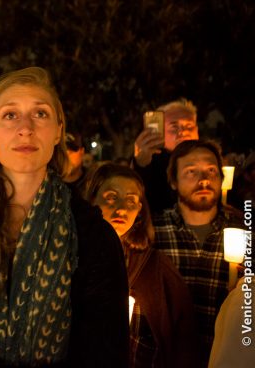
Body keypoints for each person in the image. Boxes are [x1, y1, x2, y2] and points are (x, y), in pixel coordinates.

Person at [0, 67, 129, 367]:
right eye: (10, 115)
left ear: (58, 131)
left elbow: (106, 356)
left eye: (40, 114)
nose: (26, 128)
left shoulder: (92, 234)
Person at [85, 163, 199, 367]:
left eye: (130, 200)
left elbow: (183, 338)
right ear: (92, 199)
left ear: (139, 209)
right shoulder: (74, 258)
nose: (120, 208)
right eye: (111, 197)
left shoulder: (155, 267)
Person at [153, 139, 244, 364]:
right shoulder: (153, 232)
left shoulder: (244, 232)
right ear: (173, 181)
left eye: (211, 170)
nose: (203, 180)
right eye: (191, 171)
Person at [133, 99, 199, 214]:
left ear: (197, 131)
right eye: (174, 127)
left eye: (189, 126)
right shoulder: (151, 162)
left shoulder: (210, 161)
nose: (182, 132)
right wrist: (140, 164)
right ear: (159, 131)